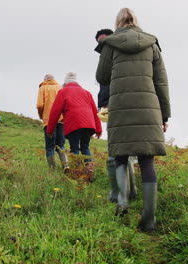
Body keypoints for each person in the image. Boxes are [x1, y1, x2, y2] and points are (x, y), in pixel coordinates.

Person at [96, 8, 171, 232]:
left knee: (120, 155)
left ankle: (122, 200)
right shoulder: (151, 43)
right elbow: (161, 82)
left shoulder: (110, 43)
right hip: (148, 108)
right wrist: (164, 114)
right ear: (136, 22)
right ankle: (149, 217)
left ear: (118, 22)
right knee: (147, 160)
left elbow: (101, 76)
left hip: (120, 106)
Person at [95, 28, 138, 202]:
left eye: (104, 40)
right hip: (112, 105)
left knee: (117, 148)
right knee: (120, 148)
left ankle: (119, 193)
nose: (102, 43)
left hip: (121, 104)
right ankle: (128, 191)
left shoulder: (119, 55)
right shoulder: (106, 56)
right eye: (99, 42)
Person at [47, 72, 102, 173]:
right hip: (88, 124)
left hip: (74, 124)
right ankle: (89, 170)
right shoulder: (86, 92)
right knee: (85, 147)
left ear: (66, 83)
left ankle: (77, 172)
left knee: (75, 148)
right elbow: (95, 111)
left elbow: (55, 112)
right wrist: (98, 129)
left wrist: (50, 129)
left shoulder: (63, 92)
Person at [36, 74, 69, 172]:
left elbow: (39, 105)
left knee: (50, 146)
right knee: (61, 145)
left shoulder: (43, 88)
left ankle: (52, 169)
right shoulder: (60, 87)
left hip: (49, 120)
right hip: (61, 120)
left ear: (45, 80)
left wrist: (42, 116)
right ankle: (66, 165)